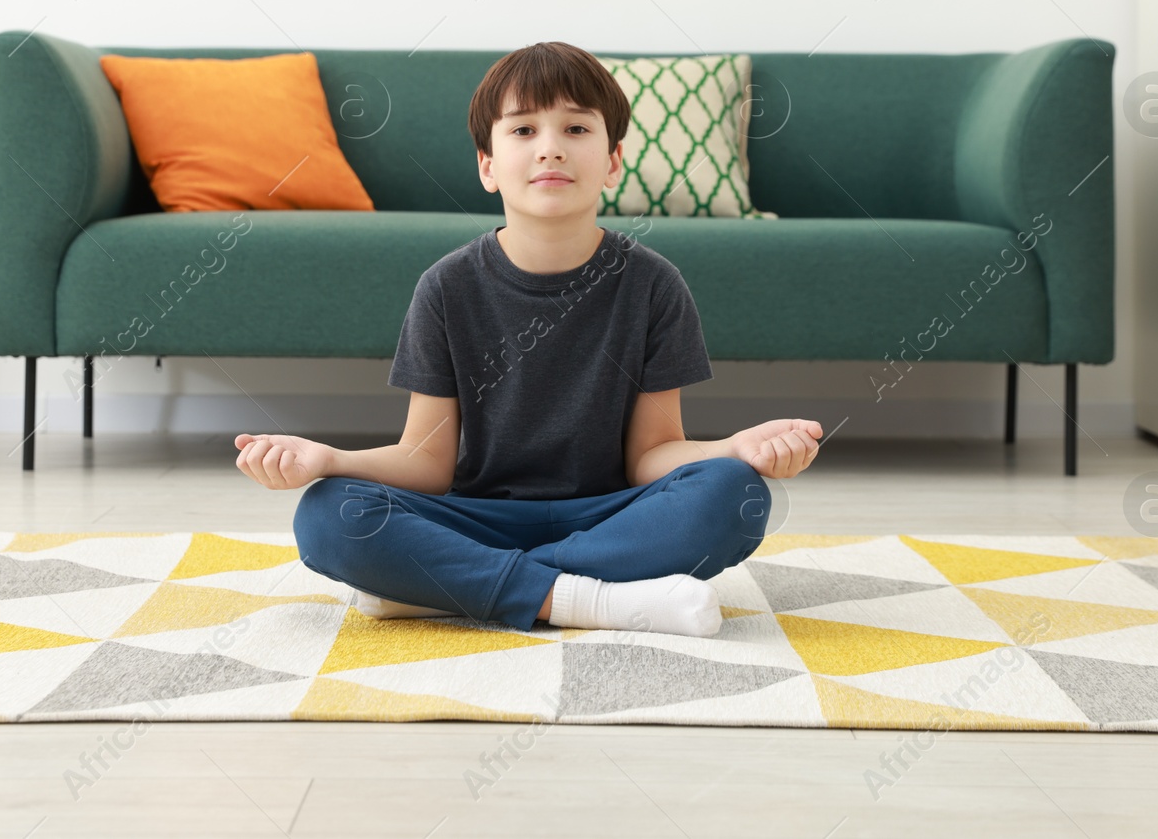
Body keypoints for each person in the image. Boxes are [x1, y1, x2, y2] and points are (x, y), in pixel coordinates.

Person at [235, 41, 821, 638]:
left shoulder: (654, 284)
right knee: (329, 514)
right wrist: (327, 460)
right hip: (473, 517)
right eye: (523, 130)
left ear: (613, 160)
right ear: (487, 165)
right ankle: (587, 600)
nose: (550, 147)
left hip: (607, 519)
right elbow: (426, 463)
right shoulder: (445, 287)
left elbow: (652, 457)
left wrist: (735, 447)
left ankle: (452, 588)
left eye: (575, 127)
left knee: (736, 494)